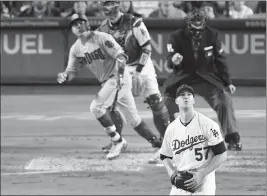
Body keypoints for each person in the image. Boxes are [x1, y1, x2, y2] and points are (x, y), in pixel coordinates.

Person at [57, 13, 162, 160]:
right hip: (108, 81)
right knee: (133, 119)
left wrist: (120, 75)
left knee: (96, 107)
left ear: (88, 24)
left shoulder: (102, 37)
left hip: (118, 77)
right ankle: (158, 144)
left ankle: (117, 141)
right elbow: (72, 71)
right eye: (75, 24)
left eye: (81, 22)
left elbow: (121, 56)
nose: (79, 26)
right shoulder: (75, 49)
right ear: (72, 30)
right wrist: (65, 75)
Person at [96, 1, 170, 163]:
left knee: (155, 101)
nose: (112, 13)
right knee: (110, 104)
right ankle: (118, 141)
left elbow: (147, 48)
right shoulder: (102, 29)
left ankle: (167, 144)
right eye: (107, 10)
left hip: (141, 67)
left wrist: (137, 71)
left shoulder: (134, 22)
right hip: (120, 68)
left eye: (114, 9)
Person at [164, 8, 242, 151]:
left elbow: (220, 60)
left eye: (200, 29)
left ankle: (233, 138)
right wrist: (174, 60)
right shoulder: (176, 36)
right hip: (184, 77)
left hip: (205, 77)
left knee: (224, 100)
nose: (198, 33)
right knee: (168, 97)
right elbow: (169, 59)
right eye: (194, 30)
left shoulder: (212, 35)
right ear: (188, 25)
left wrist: (228, 82)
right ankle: (174, 136)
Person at [160, 84, 227, 195]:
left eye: (189, 94)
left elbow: (222, 154)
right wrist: (172, 174)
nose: (186, 97)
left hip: (204, 180)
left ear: (193, 100)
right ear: (176, 101)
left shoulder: (208, 124)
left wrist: (202, 174)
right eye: (182, 95)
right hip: (180, 180)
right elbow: (165, 155)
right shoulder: (171, 128)